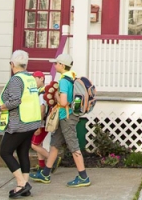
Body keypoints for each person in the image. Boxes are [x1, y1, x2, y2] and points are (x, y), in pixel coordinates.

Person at [30, 53, 91, 187]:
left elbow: (63, 102)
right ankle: (46, 173)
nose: (54, 65)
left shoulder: (63, 81)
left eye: (56, 63)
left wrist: (56, 96)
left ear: (62, 65)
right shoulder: (72, 77)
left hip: (66, 117)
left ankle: (83, 177)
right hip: (66, 116)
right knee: (54, 144)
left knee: (73, 146)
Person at [0, 50, 41, 198]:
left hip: (19, 123)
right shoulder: (30, 78)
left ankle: (22, 183)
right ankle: (24, 187)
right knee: (23, 152)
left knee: (5, 152)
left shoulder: (16, 79)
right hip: (31, 122)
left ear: (12, 64)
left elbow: (15, 101)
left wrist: (0, 108)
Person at [30, 71, 62, 173]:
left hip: (42, 123)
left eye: (35, 79)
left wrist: (38, 126)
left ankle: (53, 159)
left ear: (41, 78)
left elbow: (42, 109)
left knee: (34, 144)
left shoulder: (41, 93)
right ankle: (41, 165)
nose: (33, 82)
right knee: (38, 144)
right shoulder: (42, 91)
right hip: (44, 122)